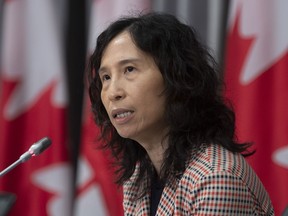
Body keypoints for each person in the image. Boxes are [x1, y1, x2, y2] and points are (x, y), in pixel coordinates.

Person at [87, 12, 274, 215]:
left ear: (175, 78)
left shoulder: (214, 177)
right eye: (105, 77)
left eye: (129, 69)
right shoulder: (140, 178)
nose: (113, 92)